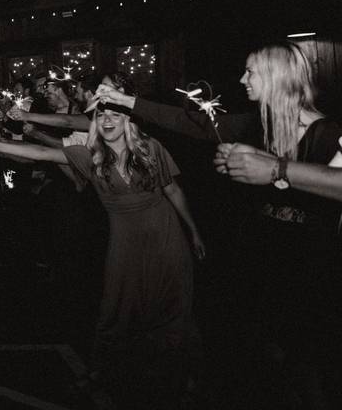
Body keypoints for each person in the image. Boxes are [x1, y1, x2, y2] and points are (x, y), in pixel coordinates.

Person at [96, 42, 342, 408]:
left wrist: (276, 171)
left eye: (251, 71)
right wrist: (125, 101)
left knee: (307, 365)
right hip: (261, 257)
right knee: (260, 357)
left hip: (308, 266)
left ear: (275, 76)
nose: (243, 79)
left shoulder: (327, 132)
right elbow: (187, 122)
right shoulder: (253, 125)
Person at [0, 106, 205, 407]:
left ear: (128, 121)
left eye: (115, 116)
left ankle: (185, 379)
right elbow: (40, 154)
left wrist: (193, 230)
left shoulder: (151, 148)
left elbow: (173, 190)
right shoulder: (88, 155)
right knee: (117, 305)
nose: (108, 121)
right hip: (125, 241)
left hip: (166, 235)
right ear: (95, 123)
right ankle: (103, 371)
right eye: (101, 117)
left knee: (174, 304)